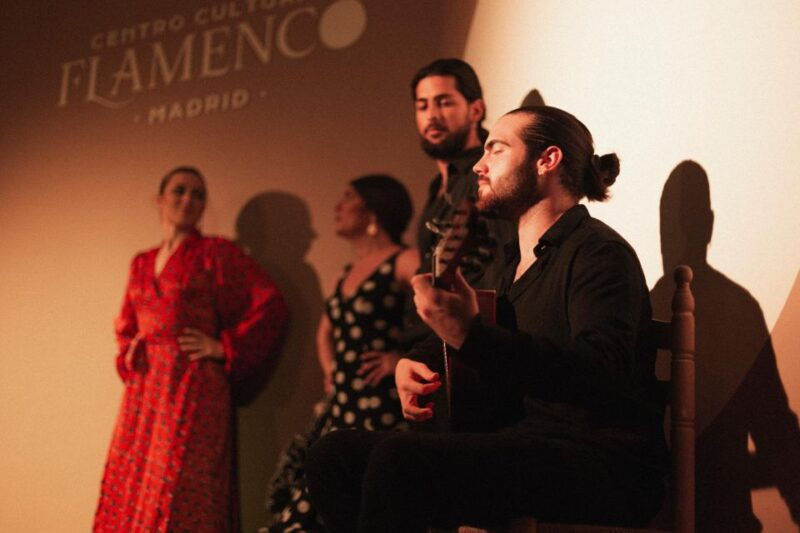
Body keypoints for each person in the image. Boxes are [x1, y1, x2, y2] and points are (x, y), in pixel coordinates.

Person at [304, 106, 668, 532]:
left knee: (400, 459)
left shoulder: (599, 253)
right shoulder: (509, 264)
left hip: (601, 460)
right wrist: (413, 361)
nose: (479, 165)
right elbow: (473, 334)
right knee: (333, 454)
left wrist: (471, 336)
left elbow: (601, 371)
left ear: (547, 160)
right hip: (523, 443)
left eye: (496, 149)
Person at [93, 167, 288, 532]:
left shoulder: (216, 253)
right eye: (179, 191)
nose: (188, 200)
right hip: (145, 391)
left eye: (198, 194)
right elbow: (126, 322)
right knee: (133, 480)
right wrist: (131, 349)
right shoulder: (141, 262)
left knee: (180, 484)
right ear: (159, 200)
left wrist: (224, 346)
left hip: (193, 386)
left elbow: (269, 304)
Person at [266, 175, 419, 532]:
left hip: (383, 405)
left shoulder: (404, 260)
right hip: (342, 406)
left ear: (373, 208)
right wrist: (331, 372)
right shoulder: (343, 274)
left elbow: (436, 315)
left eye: (348, 197)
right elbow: (325, 332)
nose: (338, 206)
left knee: (368, 501)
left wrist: (398, 359)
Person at [410, 57, 515, 286]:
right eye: (422, 106)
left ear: (476, 110)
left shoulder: (486, 173)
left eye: (444, 103)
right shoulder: (437, 186)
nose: (432, 115)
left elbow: (504, 260)